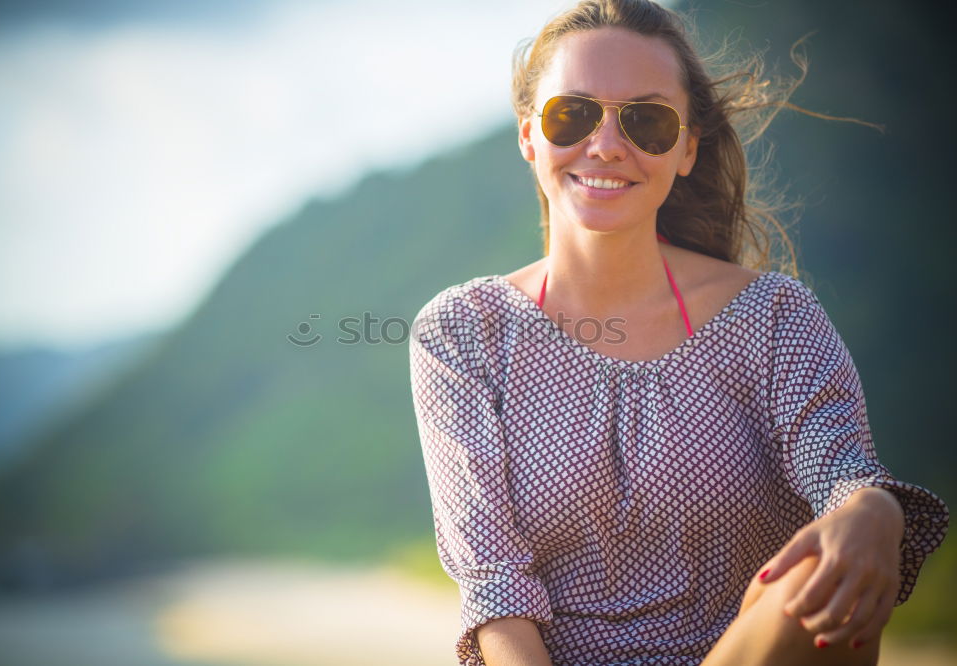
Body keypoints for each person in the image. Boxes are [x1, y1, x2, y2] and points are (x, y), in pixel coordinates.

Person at [407, 1, 950, 664]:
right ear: (529, 135)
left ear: (688, 148)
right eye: (572, 114)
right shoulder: (463, 332)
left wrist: (875, 511)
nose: (607, 145)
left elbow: (842, 471)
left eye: (647, 121)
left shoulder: (774, 317)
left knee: (822, 569)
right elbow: (495, 592)